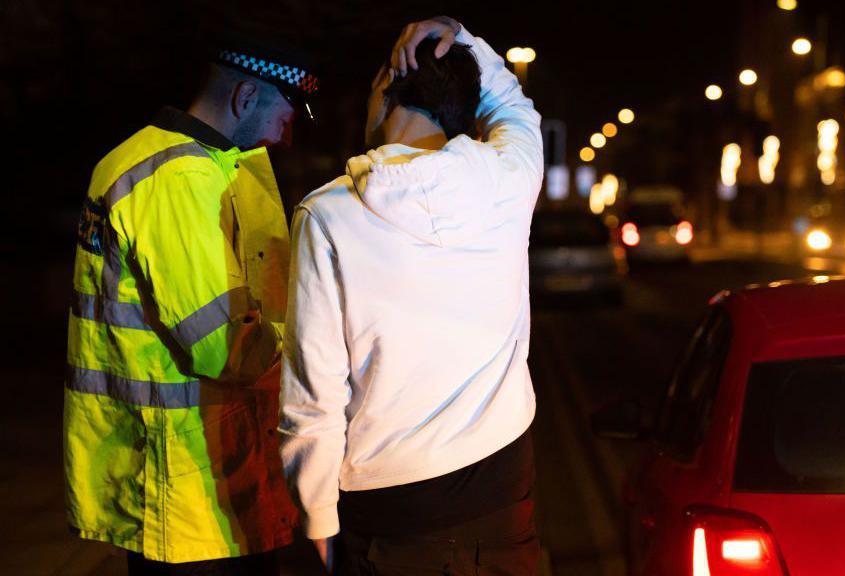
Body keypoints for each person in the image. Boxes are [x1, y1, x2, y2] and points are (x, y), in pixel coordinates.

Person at [278, 17, 544, 576]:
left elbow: (313, 402)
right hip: (503, 514)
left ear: (384, 90)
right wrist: (458, 37)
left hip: (390, 526)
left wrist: (319, 526)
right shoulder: (509, 181)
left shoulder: (327, 216)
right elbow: (516, 108)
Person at [64, 35, 319, 575]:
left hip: (180, 478)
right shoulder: (177, 179)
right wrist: (318, 341)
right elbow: (222, 345)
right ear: (246, 96)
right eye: (285, 111)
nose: (287, 132)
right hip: (186, 490)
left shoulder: (160, 160)